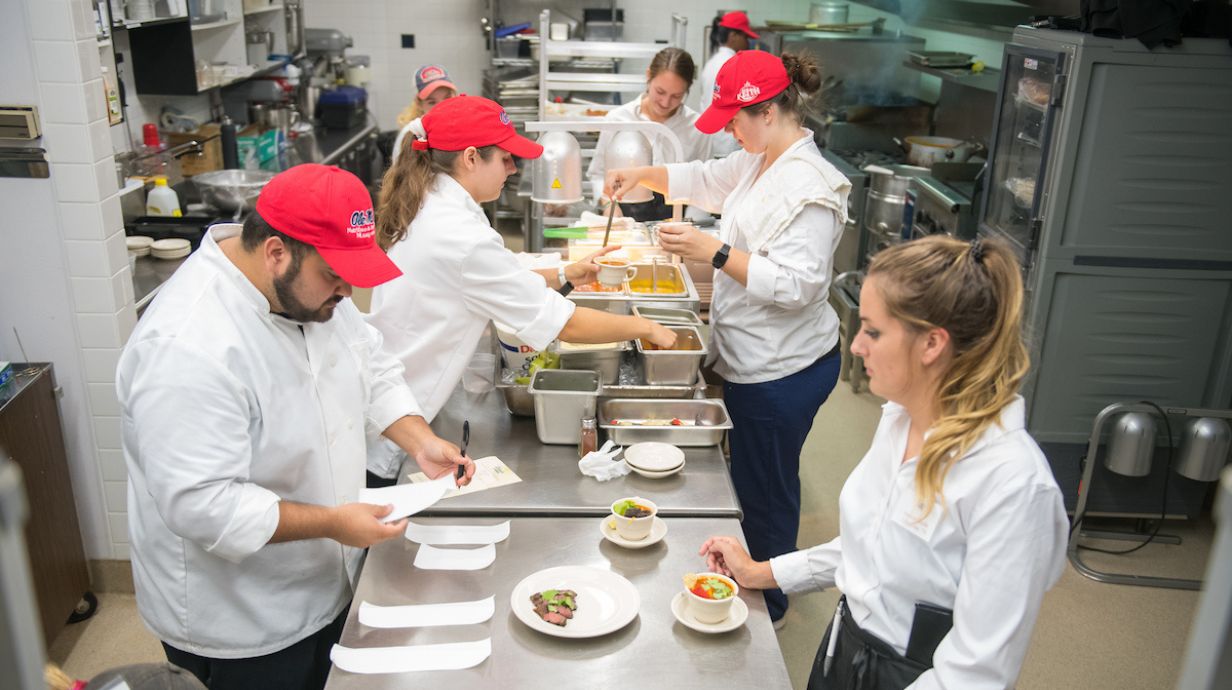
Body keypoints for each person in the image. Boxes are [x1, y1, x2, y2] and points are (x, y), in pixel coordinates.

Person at [117, 164, 474, 690]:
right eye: (334, 276)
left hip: (328, 572)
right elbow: (203, 505)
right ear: (277, 252)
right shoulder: (187, 345)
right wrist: (332, 522)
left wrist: (419, 441)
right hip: (241, 615)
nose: (347, 292)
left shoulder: (310, 294)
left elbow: (372, 364)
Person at [698, 236, 1068, 689]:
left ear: (931, 344)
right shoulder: (899, 421)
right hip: (846, 650)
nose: (855, 347)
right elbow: (866, 548)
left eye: (872, 331)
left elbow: (975, 674)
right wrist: (763, 572)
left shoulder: (1012, 482)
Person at [605, 50, 849, 624]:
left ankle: (772, 605)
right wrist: (643, 175)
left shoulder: (811, 186)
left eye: (736, 120)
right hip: (752, 352)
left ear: (768, 111)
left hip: (781, 368)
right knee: (754, 476)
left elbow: (798, 286)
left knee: (765, 488)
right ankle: (756, 579)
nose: (732, 133)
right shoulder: (761, 157)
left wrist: (711, 250)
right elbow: (707, 179)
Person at [365, 95, 676, 484]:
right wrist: (645, 329)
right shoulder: (458, 233)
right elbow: (566, 325)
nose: (513, 169)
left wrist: (568, 270)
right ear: (472, 157)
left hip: (399, 400)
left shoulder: (433, 200)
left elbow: (499, 274)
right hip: (397, 428)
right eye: (506, 157)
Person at [585, 47, 711, 222]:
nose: (666, 102)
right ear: (648, 76)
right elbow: (598, 173)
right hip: (623, 212)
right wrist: (608, 206)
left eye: (677, 96)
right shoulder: (618, 119)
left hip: (673, 217)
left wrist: (689, 224)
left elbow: (702, 184)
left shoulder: (697, 127)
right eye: (660, 92)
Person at [700, 11, 758, 156]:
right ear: (733, 36)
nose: (747, 43)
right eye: (745, 37)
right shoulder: (734, 64)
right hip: (727, 144)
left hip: (711, 141)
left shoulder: (712, 62)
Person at [386, 65, 461, 163]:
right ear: (419, 104)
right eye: (432, 102)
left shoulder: (461, 125)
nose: (441, 107)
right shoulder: (412, 135)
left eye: (447, 98)